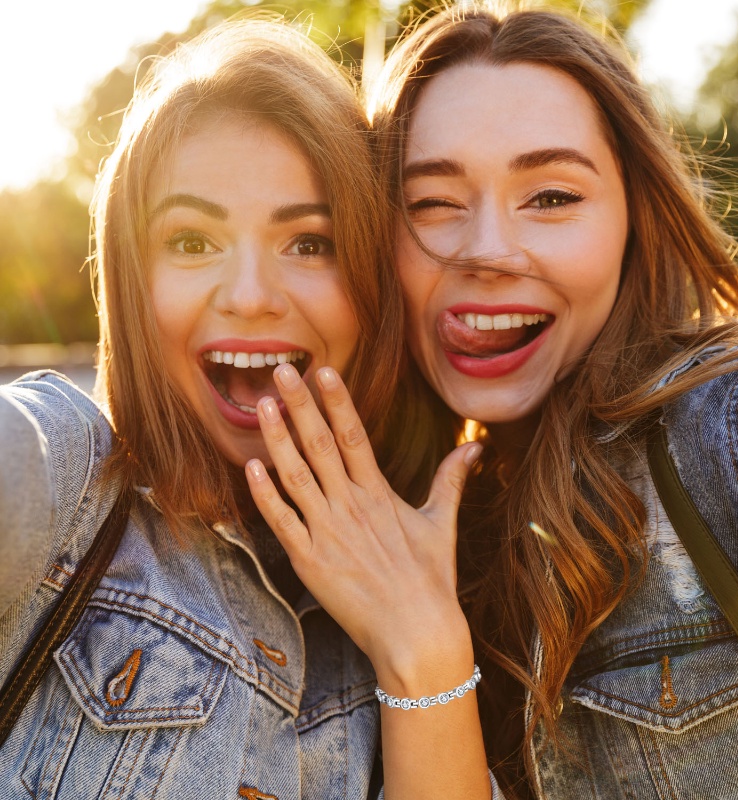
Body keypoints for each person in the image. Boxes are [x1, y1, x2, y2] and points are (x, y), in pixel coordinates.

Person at [246, 3, 738, 799]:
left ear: (633, 222)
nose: (489, 251)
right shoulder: (383, 531)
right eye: (432, 203)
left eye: (551, 197)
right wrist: (420, 646)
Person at [0, 15, 449, 798]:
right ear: (133, 281)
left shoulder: (443, 568)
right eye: (192, 241)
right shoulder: (65, 477)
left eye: (310, 242)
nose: (248, 297)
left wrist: (425, 647)